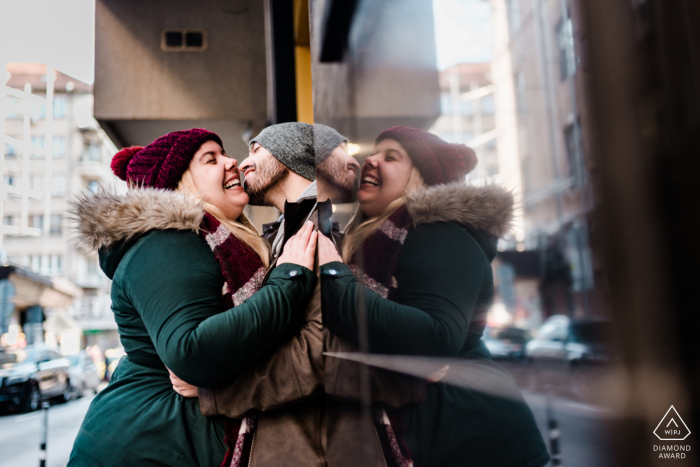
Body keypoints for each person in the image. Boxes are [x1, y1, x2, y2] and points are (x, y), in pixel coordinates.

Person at [171, 122, 425, 466]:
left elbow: (321, 360)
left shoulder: (313, 233)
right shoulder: (286, 233)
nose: (242, 164)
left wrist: (212, 390)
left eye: (256, 150)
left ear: (295, 156)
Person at [67, 128, 317, 467]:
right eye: (211, 159)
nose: (232, 162)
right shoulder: (165, 243)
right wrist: (290, 278)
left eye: (224, 153)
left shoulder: (214, 243)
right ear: (178, 185)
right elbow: (190, 351)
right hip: (141, 447)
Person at [318, 126, 551, 467]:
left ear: (421, 180)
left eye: (391, 156)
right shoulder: (377, 241)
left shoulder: (439, 235)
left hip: (477, 440)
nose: (372, 160)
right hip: (433, 436)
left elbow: (436, 337)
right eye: (376, 151)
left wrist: (334, 279)